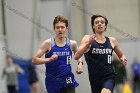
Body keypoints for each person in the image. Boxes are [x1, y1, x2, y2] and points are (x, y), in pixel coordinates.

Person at [74, 14, 127, 93]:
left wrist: (123, 59)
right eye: (97, 22)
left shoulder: (112, 40)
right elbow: (76, 56)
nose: (100, 24)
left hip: (109, 76)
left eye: (102, 22)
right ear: (93, 26)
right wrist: (88, 44)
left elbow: (122, 55)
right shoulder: (87, 38)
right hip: (94, 78)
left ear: (105, 26)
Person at [32, 15, 83, 93]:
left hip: (67, 79)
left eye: (62, 27)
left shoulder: (72, 43)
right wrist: (49, 59)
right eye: (57, 27)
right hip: (52, 81)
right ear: (54, 29)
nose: (60, 29)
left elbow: (78, 55)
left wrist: (80, 64)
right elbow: (34, 60)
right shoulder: (48, 43)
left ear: (66, 29)